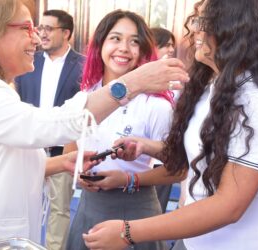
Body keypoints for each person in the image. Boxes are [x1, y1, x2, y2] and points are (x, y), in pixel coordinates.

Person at [0, 0, 189, 248]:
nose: (36, 39)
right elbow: (57, 125)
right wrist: (132, 83)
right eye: (27, 28)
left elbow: (3, 165)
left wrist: (61, 163)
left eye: (134, 41)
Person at [82, 0, 258, 249]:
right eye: (196, 20)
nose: (195, 31)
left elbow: (229, 206)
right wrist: (147, 147)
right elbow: (208, 156)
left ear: (236, 28)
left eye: (204, 22)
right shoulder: (213, 87)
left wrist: (128, 230)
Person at [65, 9, 174, 250]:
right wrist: (78, 172)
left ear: (143, 51)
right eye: (115, 38)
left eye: (134, 41)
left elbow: (177, 170)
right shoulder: (84, 98)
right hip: (88, 208)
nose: (124, 48)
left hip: (137, 212)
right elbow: (69, 148)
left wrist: (129, 179)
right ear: (100, 44)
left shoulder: (156, 105)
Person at [14, 9, 84, 250]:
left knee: (59, 209)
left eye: (48, 29)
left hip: (62, 151)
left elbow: (82, 111)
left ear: (66, 33)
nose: (40, 34)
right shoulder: (26, 62)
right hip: (27, 148)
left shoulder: (82, 66)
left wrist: (69, 150)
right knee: (23, 205)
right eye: (39, 28)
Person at [150, 27, 178, 214]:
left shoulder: (177, 76)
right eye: (166, 45)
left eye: (172, 46)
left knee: (157, 210)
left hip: (165, 154)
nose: (171, 50)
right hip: (142, 158)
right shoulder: (136, 77)